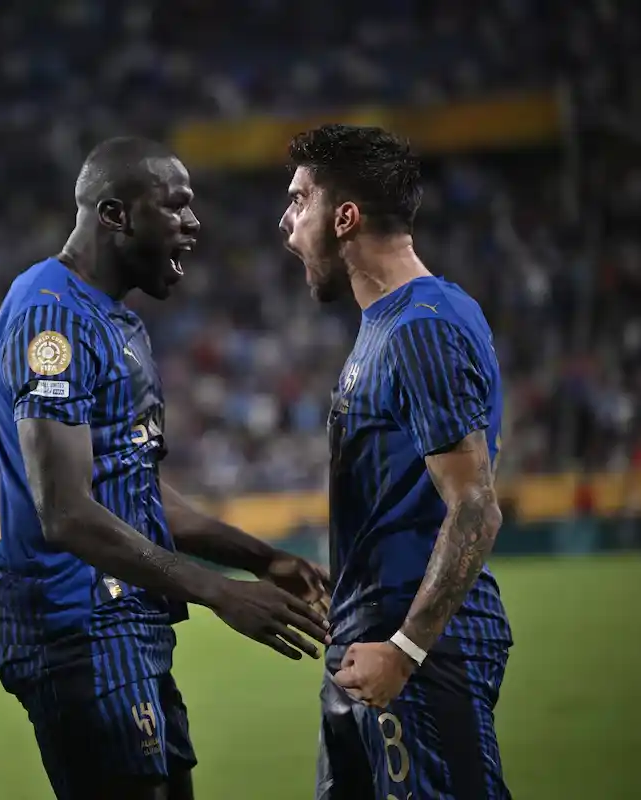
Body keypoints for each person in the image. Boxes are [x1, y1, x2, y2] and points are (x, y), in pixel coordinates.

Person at [0, 137, 331, 800]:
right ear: (114, 215)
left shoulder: (114, 321)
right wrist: (218, 591)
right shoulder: (49, 317)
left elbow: (131, 488)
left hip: (122, 614)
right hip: (72, 622)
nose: (193, 224)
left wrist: (258, 558)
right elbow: (65, 512)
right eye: (175, 207)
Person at [279, 124, 513, 799]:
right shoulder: (387, 325)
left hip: (415, 653)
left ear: (344, 217)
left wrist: (405, 650)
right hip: (366, 643)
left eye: (299, 202)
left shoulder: (422, 325)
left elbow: (474, 504)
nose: (285, 222)